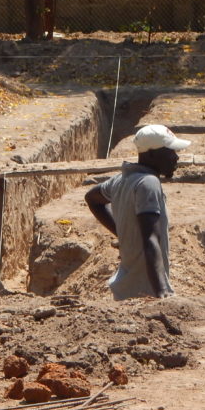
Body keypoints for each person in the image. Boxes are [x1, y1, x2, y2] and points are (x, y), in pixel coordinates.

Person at [84, 124, 190, 300]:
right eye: (170, 151)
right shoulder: (148, 183)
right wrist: (161, 291)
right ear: (152, 154)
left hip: (125, 289)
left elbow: (92, 198)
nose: (176, 157)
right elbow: (151, 239)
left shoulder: (121, 180)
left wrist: (122, 233)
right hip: (144, 293)